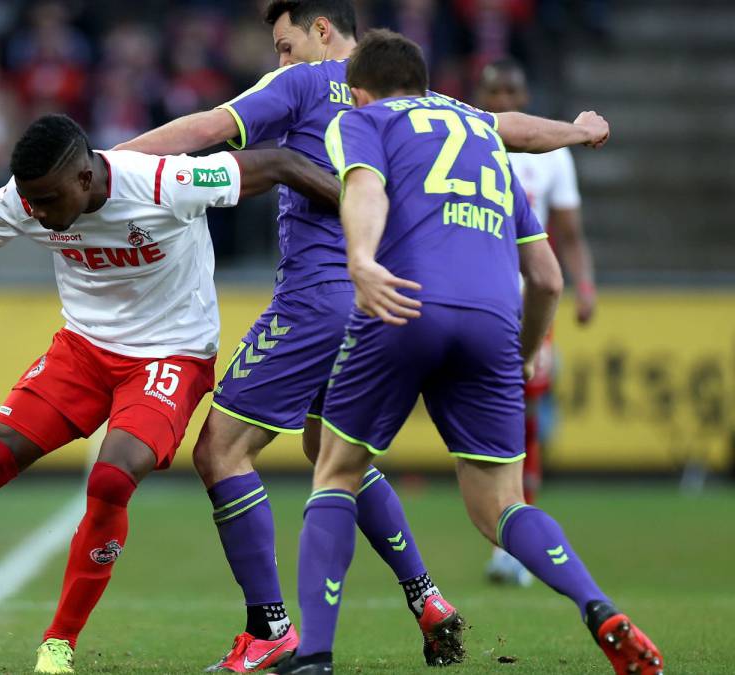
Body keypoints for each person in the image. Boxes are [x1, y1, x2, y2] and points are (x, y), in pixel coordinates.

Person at [115, 1, 611, 669]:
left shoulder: (305, 83)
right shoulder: (421, 99)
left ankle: (269, 629)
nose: (281, 60)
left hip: (318, 296)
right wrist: (576, 131)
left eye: (286, 44)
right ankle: (426, 596)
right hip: (378, 305)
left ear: (322, 30)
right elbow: (509, 130)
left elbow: (208, 126)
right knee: (335, 454)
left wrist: (110, 162)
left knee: (221, 450)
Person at [0, 114, 341, 674]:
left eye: (46, 200)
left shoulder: (165, 181)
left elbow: (280, 162)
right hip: (82, 351)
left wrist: (367, 215)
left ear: (85, 178)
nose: (36, 212)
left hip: (170, 355)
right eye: (30, 201)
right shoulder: (23, 197)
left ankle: (59, 642)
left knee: (111, 478)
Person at [277, 30, 661, 675]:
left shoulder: (361, 120)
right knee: (502, 505)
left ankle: (314, 654)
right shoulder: (482, 138)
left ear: (359, 91)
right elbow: (548, 278)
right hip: (493, 319)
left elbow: (365, 188)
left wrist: (361, 260)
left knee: (336, 470)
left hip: (403, 303)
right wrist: (526, 352)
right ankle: (598, 607)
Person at [474, 56, 599, 587]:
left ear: (523, 98)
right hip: (478, 295)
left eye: (511, 93)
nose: (502, 101)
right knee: (491, 413)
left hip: (530, 305)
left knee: (524, 413)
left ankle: (514, 539)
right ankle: (506, 530)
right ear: (481, 97)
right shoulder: (468, 139)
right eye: (494, 93)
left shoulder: (551, 156)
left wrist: (584, 284)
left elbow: (568, 233)